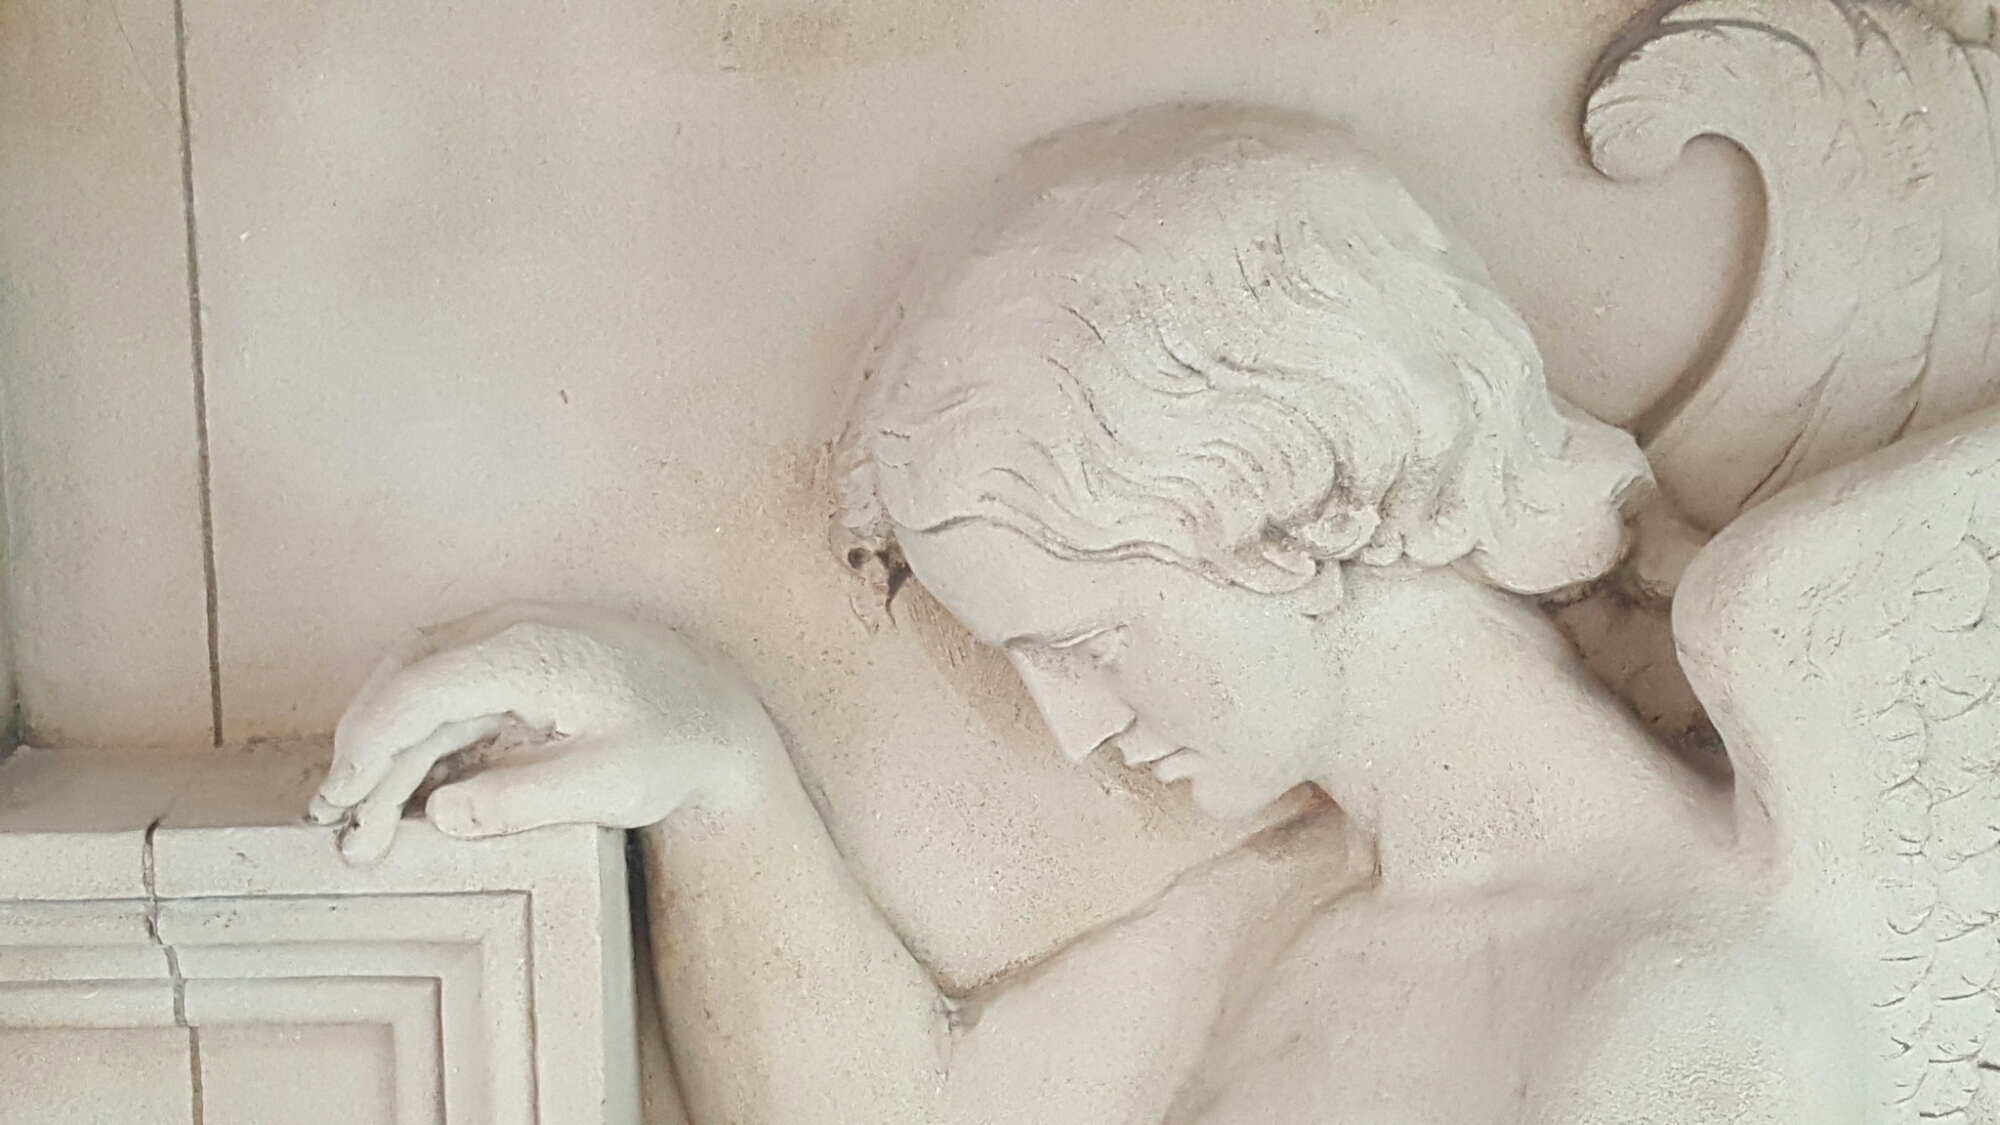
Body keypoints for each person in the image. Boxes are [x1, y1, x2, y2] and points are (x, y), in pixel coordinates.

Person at [310, 106, 1843, 1123]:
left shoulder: (1688, 1016)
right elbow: (912, 1108)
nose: (1071, 724)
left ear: (1287, 512)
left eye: (1090, 641)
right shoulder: (1302, 915)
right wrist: (716, 763)